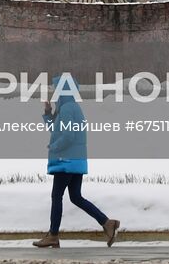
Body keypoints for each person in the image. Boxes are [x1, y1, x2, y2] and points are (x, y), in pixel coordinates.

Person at [32, 73, 120, 248]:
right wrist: (48, 113)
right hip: (75, 161)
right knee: (76, 197)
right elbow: (56, 130)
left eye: (55, 88)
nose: (53, 91)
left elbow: (67, 136)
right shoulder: (70, 107)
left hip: (66, 161)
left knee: (57, 196)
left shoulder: (67, 109)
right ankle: (107, 223)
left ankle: (53, 235)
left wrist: (54, 147)